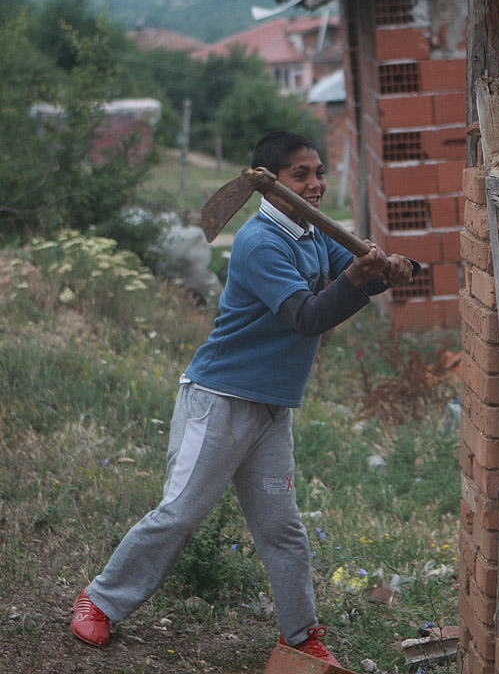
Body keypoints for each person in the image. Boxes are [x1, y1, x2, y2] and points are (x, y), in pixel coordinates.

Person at [70, 131, 418, 667]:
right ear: (270, 183)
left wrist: (386, 273)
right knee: (180, 515)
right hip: (221, 400)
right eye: (301, 175)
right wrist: (359, 275)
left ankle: (300, 637)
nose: (316, 184)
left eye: (319, 172)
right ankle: (100, 600)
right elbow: (308, 317)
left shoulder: (310, 232)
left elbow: (342, 282)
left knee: (282, 529)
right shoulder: (261, 243)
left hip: (273, 407)